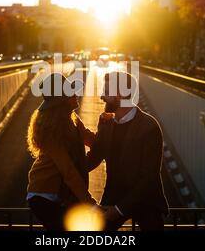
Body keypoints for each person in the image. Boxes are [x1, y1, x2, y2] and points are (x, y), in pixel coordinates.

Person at [87, 71, 169, 231]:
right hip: (112, 197)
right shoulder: (106, 124)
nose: (102, 96)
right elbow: (92, 159)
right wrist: (60, 169)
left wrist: (118, 210)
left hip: (145, 201)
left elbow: (149, 178)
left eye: (107, 91)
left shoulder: (149, 127)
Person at [26, 73, 97, 230]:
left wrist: (109, 127)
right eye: (71, 92)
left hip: (59, 195)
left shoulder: (71, 119)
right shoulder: (50, 131)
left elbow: (92, 140)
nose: (76, 94)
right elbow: (68, 170)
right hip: (42, 195)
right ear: (62, 100)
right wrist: (89, 202)